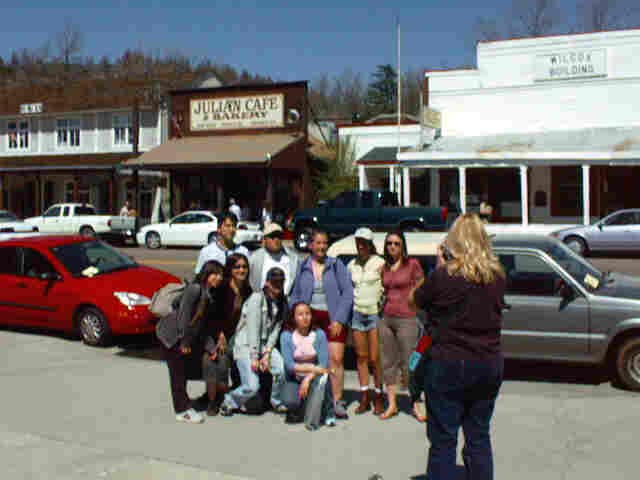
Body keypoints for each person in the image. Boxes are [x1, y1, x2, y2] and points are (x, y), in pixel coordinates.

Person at [410, 213, 506, 480]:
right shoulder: (496, 276)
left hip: (449, 362)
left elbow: (414, 301)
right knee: (478, 436)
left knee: (443, 441)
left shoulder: (444, 277)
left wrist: (440, 265)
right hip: (488, 362)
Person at [289, 229, 353, 418]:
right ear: (311, 245)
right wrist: (297, 316)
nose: (322, 246)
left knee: (336, 359)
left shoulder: (336, 265)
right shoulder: (303, 266)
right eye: (318, 243)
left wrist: (340, 319)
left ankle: (337, 400)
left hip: (332, 316)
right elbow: (296, 294)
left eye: (325, 243)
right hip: (310, 318)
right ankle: (312, 399)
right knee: (311, 359)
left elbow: (347, 293)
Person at [155, 260, 225, 423]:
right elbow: (184, 316)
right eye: (215, 274)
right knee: (177, 374)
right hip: (171, 335)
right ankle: (182, 410)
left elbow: (202, 326)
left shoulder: (209, 294)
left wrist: (211, 347)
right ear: (207, 275)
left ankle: (184, 404)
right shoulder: (195, 289)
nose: (219, 278)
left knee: (182, 372)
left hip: (181, 336)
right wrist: (184, 342)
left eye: (221, 275)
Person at [220, 267, 288, 416]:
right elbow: (252, 329)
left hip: (264, 346)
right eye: (274, 282)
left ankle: (275, 401)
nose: (277, 286)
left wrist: (268, 352)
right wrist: (254, 357)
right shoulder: (257, 298)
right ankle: (229, 401)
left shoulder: (282, 301)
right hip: (246, 345)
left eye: (280, 282)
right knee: (252, 386)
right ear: (267, 283)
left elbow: (275, 329)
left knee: (281, 370)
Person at [379, 230, 425, 420]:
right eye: (389, 243)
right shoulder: (384, 267)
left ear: (403, 246)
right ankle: (392, 404)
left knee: (410, 363)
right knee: (388, 362)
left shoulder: (412, 264)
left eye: (397, 243)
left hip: (407, 318)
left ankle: (415, 403)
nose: (393, 247)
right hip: (387, 318)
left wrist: (413, 298)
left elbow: (422, 283)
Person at [347, 227, 385, 415]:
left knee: (375, 358)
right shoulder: (351, 265)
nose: (360, 245)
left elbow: (387, 287)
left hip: (374, 314)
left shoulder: (380, 263)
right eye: (358, 242)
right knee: (361, 357)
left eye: (364, 242)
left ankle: (378, 395)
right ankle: (364, 396)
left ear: (370, 244)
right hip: (357, 313)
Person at [280, 302, 336, 429]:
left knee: (324, 379)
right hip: (294, 377)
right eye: (300, 315)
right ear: (293, 318)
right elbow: (289, 365)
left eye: (307, 314)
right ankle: (302, 407)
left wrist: (308, 377)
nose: (305, 317)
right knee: (290, 400)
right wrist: (311, 367)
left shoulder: (319, 334)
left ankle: (329, 413)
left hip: (314, 376)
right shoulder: (286, 336)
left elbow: (323, 364)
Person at [249, 223, 299, 296]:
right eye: (272, 236)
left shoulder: (293, 258)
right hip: (261, 302)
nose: (276, 239)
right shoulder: (254, 257)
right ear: (264, 239)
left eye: (279, 236)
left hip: (286, 301)